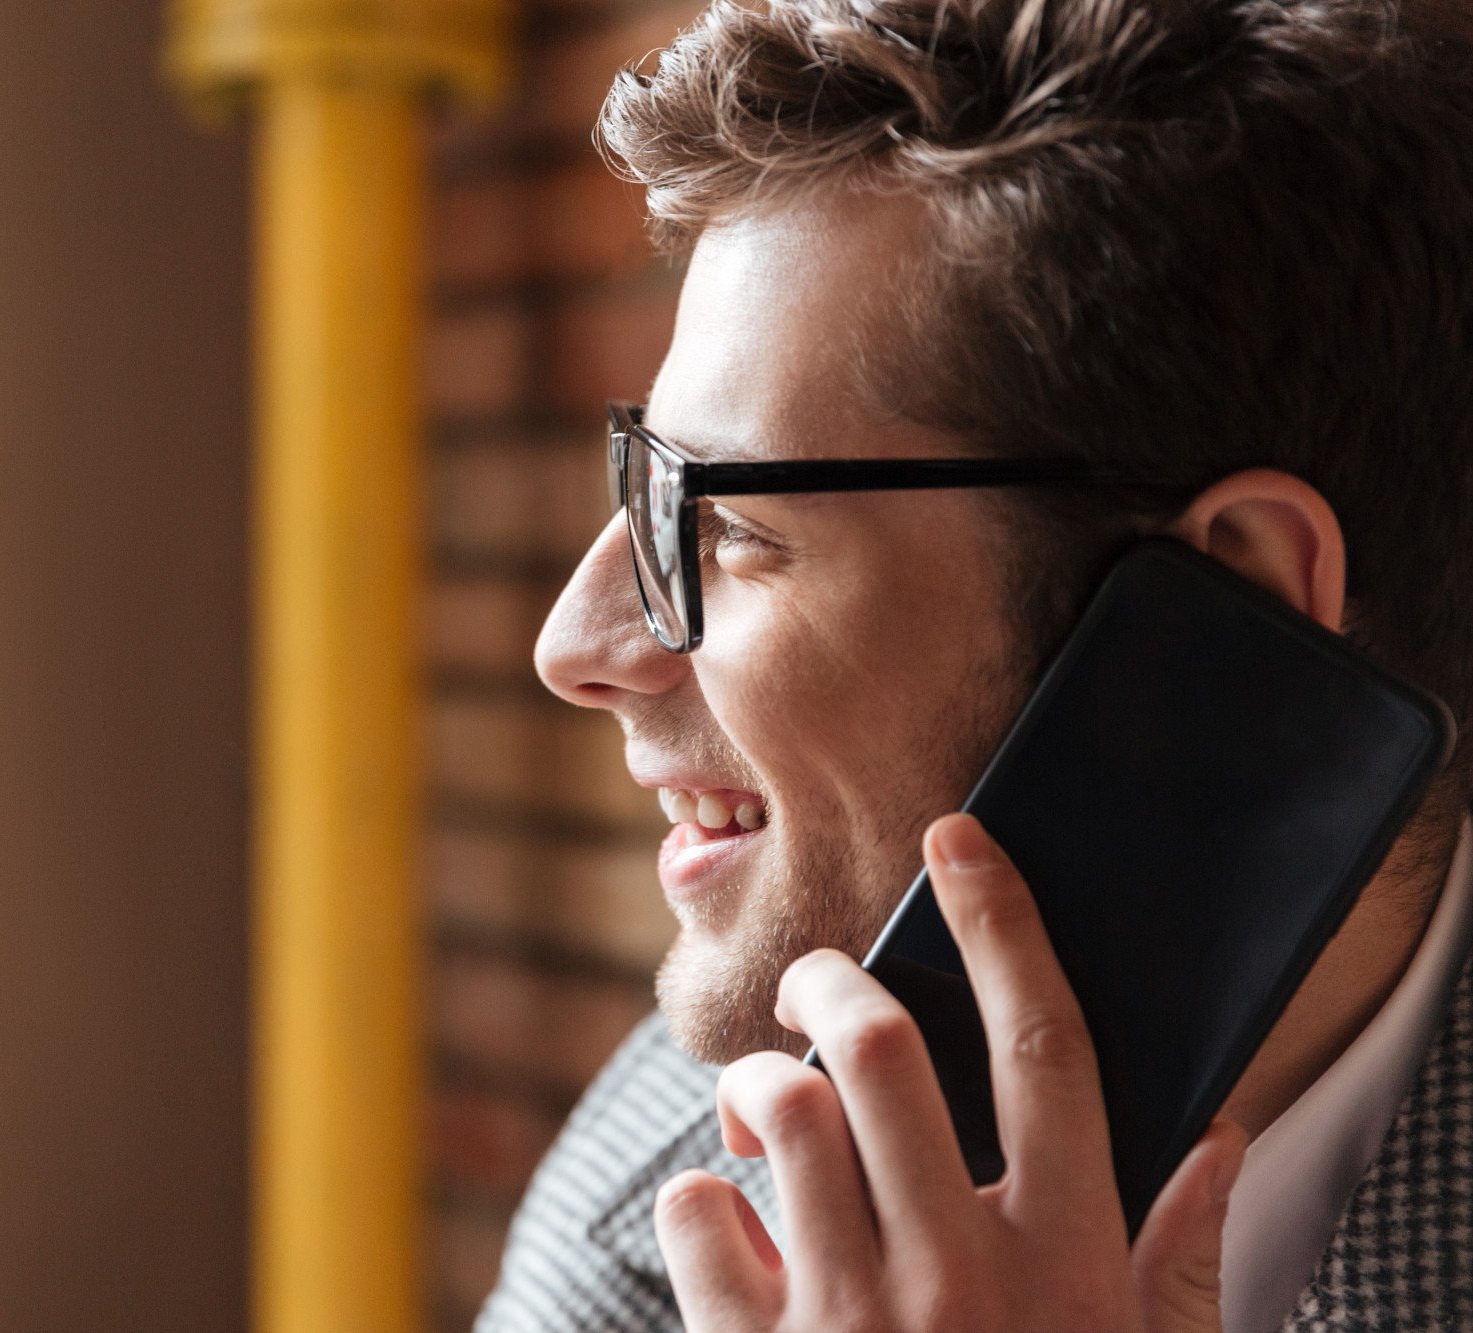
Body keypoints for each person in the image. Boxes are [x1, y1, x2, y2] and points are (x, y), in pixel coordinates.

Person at [474, 0, 1473, 1328]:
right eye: (646, 481)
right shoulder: (662, 1200)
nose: (574, 646)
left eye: (731, 527)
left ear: (1237, 599)